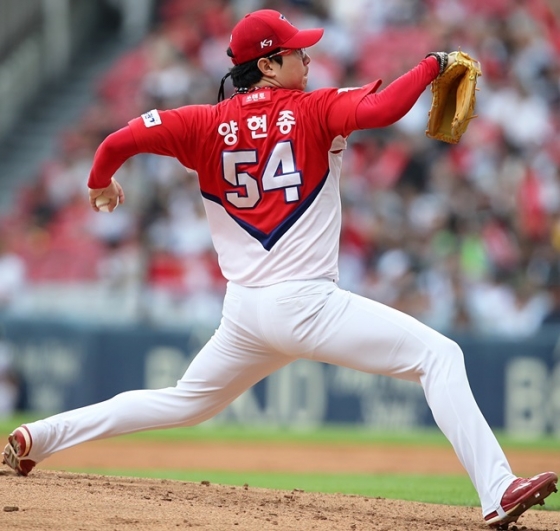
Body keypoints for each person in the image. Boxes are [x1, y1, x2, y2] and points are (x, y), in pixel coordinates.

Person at [3, 9, 557, 529]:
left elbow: (118, 140)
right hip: (307, 305)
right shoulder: (315, 109)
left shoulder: (202, 122)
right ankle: (497, 490)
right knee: (440, 356)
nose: (307, 58)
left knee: (182, 401)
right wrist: (432, 64)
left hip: (245, 314)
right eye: (295, 52)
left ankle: (40, 437)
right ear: (267, 65)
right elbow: (384, 110)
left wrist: (99, 182)